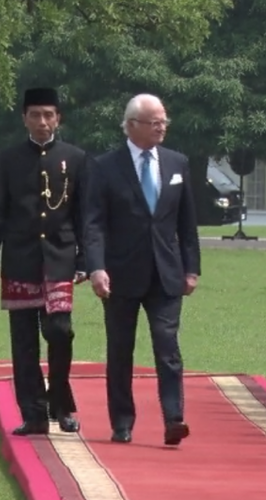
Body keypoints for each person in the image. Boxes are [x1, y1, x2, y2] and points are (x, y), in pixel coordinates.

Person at [84, 93, 201, 446]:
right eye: (155, 122)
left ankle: (173, 419)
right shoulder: (104, 166)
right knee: (121, 350)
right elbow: (93, 224)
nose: (162, 127)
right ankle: (122, 422)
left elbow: (187, 221)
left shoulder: (177, 163)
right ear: (132, 125)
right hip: (120, 273)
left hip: (166, 273)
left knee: (168, 348)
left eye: (164, 121)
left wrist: (191, 268)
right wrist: (96, 268)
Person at [0, 87, 89, 436]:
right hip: (20, 258)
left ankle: (61, 403)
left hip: (60, 258)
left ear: (58, 118)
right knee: (24, 341)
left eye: (49, 115)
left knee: (60, 332)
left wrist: (86, 258)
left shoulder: (75, 158)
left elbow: (85, 214)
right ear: (24, 118)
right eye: (35, 115)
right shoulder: (7, 159)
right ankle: (34, 413)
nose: (42, 122)